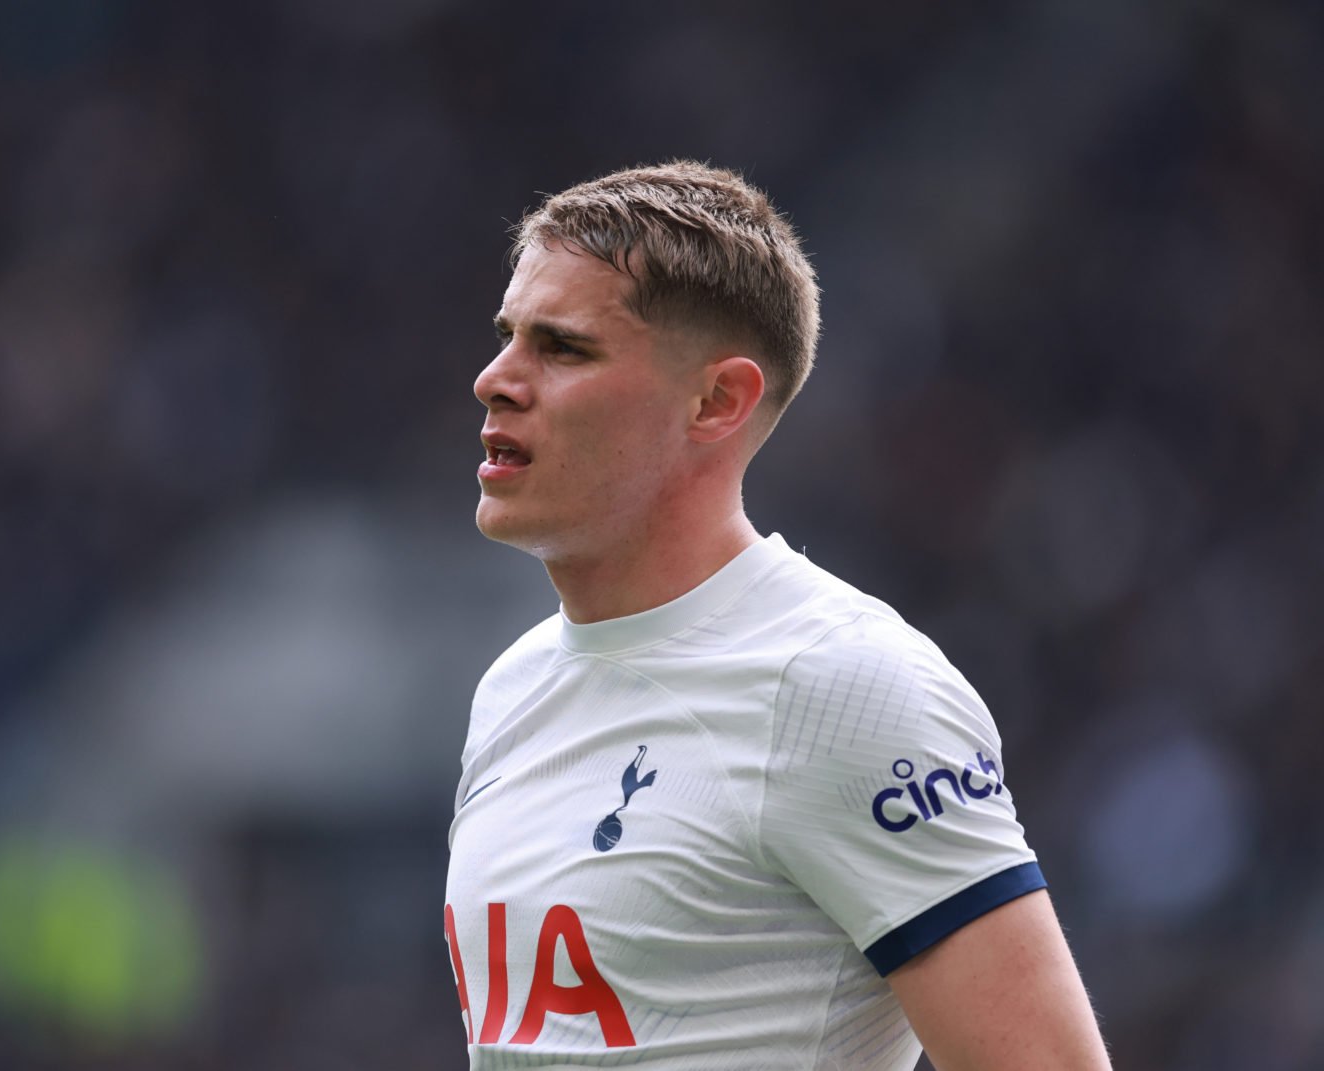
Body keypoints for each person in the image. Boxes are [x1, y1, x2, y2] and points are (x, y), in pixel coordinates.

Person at [443, 161, 1111, 1070]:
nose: (496, 379)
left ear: (717, 401)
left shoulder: (842, 683)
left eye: (563, 348)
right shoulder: (512, 687)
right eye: (506, 335)